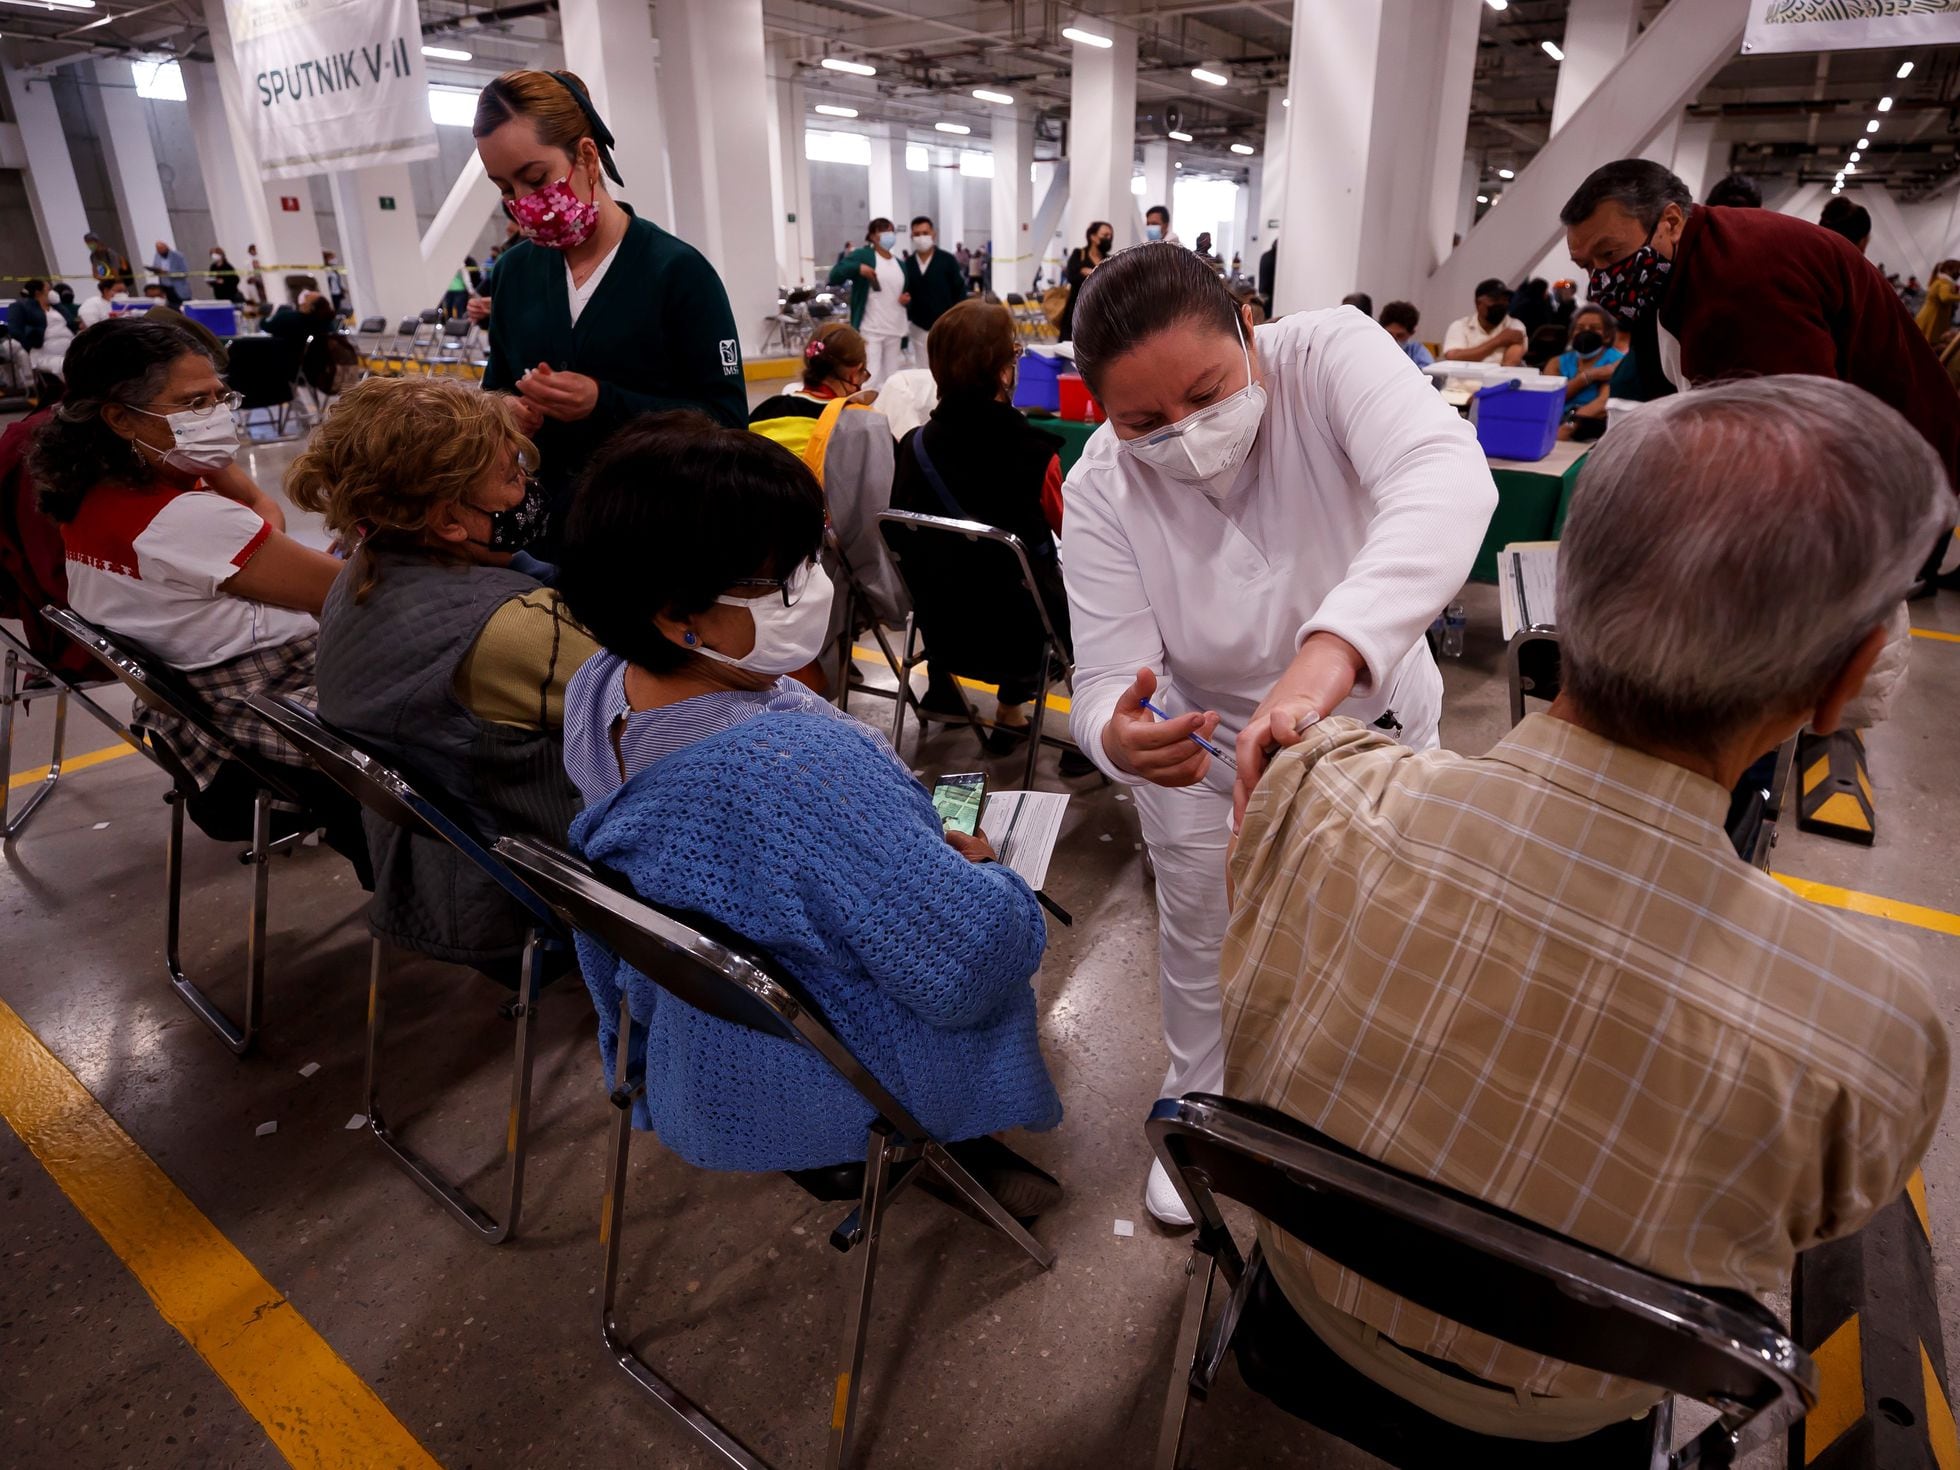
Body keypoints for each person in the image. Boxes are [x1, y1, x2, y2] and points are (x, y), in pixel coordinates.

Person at [1222, 375, 1950, 1441]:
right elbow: (1811, 1218)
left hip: (1302, 1325)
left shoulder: (1316, 794)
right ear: (1844, 687)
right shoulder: (1869, 1033)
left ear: (1564, 589)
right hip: (1558, 1426)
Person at [1060, 244, 1496, 1225]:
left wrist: (1329, 651)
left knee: (1389, 935)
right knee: (1203, 944)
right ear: (1103, 413)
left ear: (1250, 330)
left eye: (1208, 393)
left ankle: (1370, 1115)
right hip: (1205, 757)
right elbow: (1099, 678)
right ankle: (1200, 1110)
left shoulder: (1331, 353)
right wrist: (1115, 737)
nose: (1185, 434)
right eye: (1144, 424)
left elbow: (1445, 478)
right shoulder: (1100, 490)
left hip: (1368, 725)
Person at [553, 411, 1064, 1207]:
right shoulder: (796, 772)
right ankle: (945, 1141)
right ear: (673, 612)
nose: (813, 588)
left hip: (710, 1027)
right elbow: (967, 969)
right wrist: (994, 878)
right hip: (830, 1054)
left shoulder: (601, 686)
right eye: (783, 578)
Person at [24, 316, 366, 873]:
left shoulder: (97, 494)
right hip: (267, 708)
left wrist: (219, 476)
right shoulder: (178, 519)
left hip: (203, 716)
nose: (218, 415)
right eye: (194, 403)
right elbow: (344, 591)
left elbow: (262, 517)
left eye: (219, 396)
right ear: (118, 416)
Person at [288, 376, 595, 982]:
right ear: (450, 520)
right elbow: (678, 710)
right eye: (512, 477)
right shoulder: (516, 630)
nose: (530, 489)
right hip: (549, 880)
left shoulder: (360, 575)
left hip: (452, 871)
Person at [1560, 158, 1959, 585]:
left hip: (1875, 478)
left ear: (1671, 221)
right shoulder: (1684, 262)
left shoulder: (1744, 280)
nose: (1601, 279)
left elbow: (1791, 443)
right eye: (1586, 266)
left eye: (1609, 254)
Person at [473, 68, 746, 548]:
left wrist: (606, 403)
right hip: (551, 534)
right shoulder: (515, 273)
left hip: (656, 532)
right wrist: (505, 412)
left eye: (535, 178)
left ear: (587, 155)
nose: (522, 203)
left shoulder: (679, 272)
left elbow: (725, 421)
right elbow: (494, 385)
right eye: (504, 189)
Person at [891, 300, 1087, 768]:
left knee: (981, 570)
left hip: (943, 634)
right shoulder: (1035, 456)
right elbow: (1082, 545)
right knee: (1065, 586)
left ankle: (1010, 712)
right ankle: (1088, 736)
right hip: (1023, 640)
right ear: (1004, 370)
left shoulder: (911, 447)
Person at [747, 322, 907, 632]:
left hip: (758, 557)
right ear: (854, 372)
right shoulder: (862, 426)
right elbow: (871, 523)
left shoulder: (764, 412)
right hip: (822, 570)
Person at [828, 218, 909, 386]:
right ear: (872, 236)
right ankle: (864, 410)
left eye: (891, 231)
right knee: (870, 376)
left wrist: (906, 299)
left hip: (895, 327)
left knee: (892, 379)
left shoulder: (900, 264)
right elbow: (835, 275)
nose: (888, 235)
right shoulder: (863, 255)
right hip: (871, 328)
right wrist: (858, 269)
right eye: (883, 231)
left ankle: (888, 410)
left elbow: (905, 291)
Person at [1546, 303, 1622, 439]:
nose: (1586, 331)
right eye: (1580, 328)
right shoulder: (1557, 362)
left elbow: (1602, 403)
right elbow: (1550, 397)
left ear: (1607, 336)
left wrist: (1569, 425)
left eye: (1594, 328)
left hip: (1589, 430)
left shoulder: (1615, 361)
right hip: (1553, 426)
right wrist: (1587, 376)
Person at [902, 214, 968, 352]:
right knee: (922, 368)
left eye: (925, 233)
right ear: (911, 237)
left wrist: (958, 318)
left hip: (946, 324)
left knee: (945, 365)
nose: (921, 237)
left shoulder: (947, 260)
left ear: (933, 234)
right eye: (917, 234)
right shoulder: (908, 264)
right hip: (918, 325)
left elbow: (959, 290)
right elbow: (905, 292)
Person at [1439, 277, 1526, 365]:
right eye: (1495, 300)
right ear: (1478, 303)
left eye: (1504, 300)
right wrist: (1499, 340)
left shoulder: (1514, 326)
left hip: (1499, 378)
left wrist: (1468, 354)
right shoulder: (1460, 326)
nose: (1501, 304)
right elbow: (1453, 356)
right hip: (1462, 379)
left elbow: (1510, 363)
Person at [7, 280, 74, 385]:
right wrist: (31, 346)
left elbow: (71, 323)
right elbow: (15, 331)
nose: (53, 292)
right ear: (38, 292)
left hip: (70, 350)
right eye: (49, 289)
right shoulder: (23, 307)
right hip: (44, 355)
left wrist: (58, 304)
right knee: (65, 366)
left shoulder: (56, 307)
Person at [1058, 219, 1113, 342]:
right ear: (1093, 236)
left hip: (1100, 314)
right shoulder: (1079, 254)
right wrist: (1099, 276)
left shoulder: (1109, 259)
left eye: (1110, 236)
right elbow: (1072, 277)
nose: (1109, 238)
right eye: (1105, 235)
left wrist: (1090, 273)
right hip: (1076, 311)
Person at [1377, 300, 1432, 368]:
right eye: (1389, 334)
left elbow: (1430, 372)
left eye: (1400, 336)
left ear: (1411, 333)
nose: (1394, 340)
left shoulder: (1417, 351)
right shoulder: (1373, 349)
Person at [1917, 259, 1959, 344]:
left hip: (1932, 315)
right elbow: (1945, 297)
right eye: (1957, 270)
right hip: (1933, 318)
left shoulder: (1940, 281)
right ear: (1948, 270)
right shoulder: (1945, 283)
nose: (1958, 273)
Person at [150, 240, 189, 305]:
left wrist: (168, 272)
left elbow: (185, 272)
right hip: (165, 287)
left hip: (177, 287)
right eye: (158, 250)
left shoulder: (178, 256)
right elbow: (155, 267)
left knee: (181, 306)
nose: (159, 252)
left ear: (166, 248)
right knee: (170, 306)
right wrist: (155, 270)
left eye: (161, 249)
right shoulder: (157, 256)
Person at [321, 250, 347, 314]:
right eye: (332, 258)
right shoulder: (325, 269)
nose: (334, 259)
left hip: (337, 293)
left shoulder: (334, 269)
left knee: (337, 309)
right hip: (331, 294)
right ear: (326, 259)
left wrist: (343, 288)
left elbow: (338, 279)